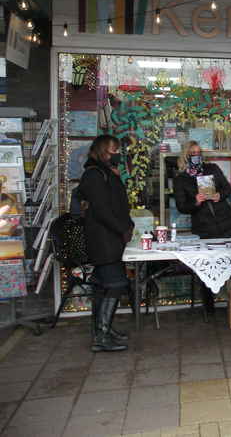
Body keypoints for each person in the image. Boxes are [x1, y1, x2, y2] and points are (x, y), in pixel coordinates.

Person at [77, 134, 134, 352]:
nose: (117, 154)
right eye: (113, 150)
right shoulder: (94, 175)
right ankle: (101, 335)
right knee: (116, 283)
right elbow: (102, 209)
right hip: (104, 239)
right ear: (102, 151)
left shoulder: (104, 172)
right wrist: (123, 229)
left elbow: (116, 204)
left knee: (103, 286)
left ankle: (103, 329)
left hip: (108, 238)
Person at [174, 140, 231, 313]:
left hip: (227, 223)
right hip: (204, 228)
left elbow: (228, 188)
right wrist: (195, 202)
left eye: (199, 153)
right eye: (193, 153)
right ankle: (209, 307)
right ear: (186, 156)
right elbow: (182, 207)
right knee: (206, 267)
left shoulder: (212, 168)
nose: (197, 156)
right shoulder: (181, 179)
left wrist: (219, 195)